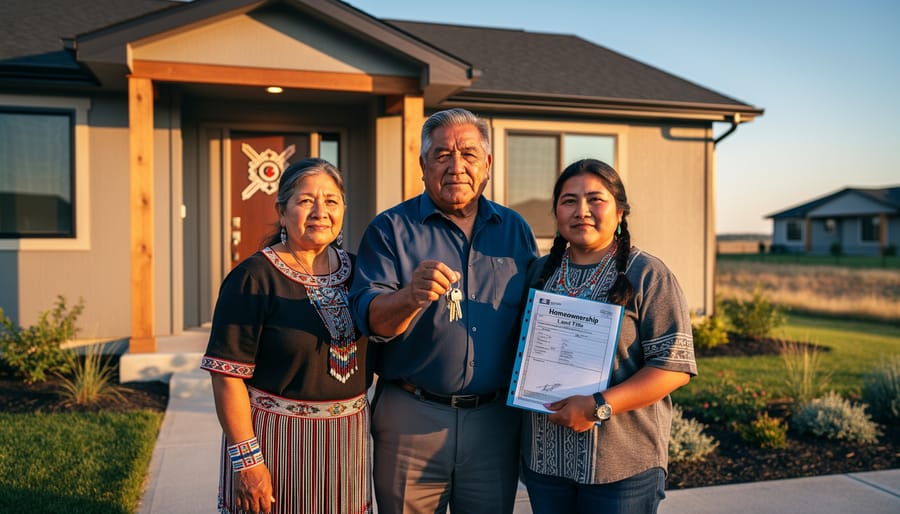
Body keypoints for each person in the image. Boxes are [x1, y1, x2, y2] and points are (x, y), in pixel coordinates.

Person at [349, 108, 538, 514]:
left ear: (487, 164)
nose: (457, 166)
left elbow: (536, 317)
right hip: (410, 417)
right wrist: (409, 296)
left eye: (469, 154)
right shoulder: (389, 229)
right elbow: (369, 318)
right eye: (442, 155)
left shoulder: (515, 230)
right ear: (422, 164)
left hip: (493, 421)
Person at [520, 158, 697, 514]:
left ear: (619, 212)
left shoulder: (647, 274)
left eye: (595, 200)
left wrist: (598, 405)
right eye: (569, 200)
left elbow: (674, 367)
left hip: (621, 469)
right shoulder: (539, 273)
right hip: (545, 465)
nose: (581, 211)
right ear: (556, 212)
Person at [201, 158, 371, 514]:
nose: (320, 211)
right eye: (306, 200)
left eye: (331, 200)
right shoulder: (253, 278)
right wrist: (247, 461)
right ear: (282, 211)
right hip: (277, 444)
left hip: (347, 445)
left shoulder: (361, 273)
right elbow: (227, 376)